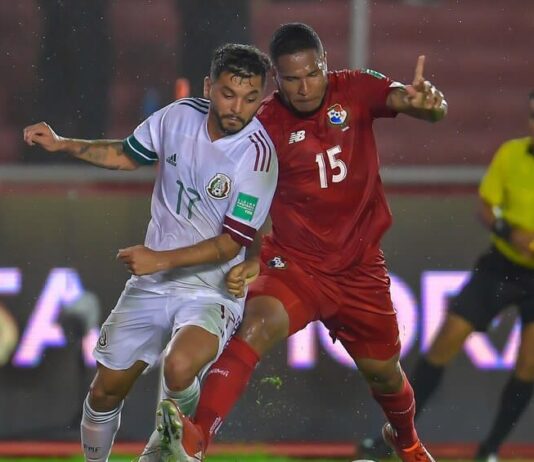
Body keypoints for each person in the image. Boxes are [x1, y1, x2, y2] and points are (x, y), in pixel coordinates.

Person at [157, 23, 447, 462]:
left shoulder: (356, 88)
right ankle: (196, 439)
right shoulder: (264, 127)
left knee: (386, 376)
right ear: (276, 78)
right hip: (296, 265)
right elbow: (243, 197)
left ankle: (405, 440)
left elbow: (408, 101)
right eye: (292, 79)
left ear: (325, 64)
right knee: (256, 327)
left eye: (313, 73)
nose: (305, 87)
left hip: (359, 269)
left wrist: (429, 106)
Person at [22, 43, 277, 462]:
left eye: (250, 99)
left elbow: (230, 243)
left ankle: (169, 444)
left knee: (179, 367)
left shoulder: (258, 155)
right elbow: (126, 154)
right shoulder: (177, 116)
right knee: (104, 392)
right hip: (153, 284)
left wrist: (160, 259)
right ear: (209, 87)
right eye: (229, 94)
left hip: (211, 289)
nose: (238, 108)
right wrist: (63, 144)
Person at [370, 91, 534, 462]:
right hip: (503, 266)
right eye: (532, 116)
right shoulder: (512, 154)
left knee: (529, 364)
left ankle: (490, 449)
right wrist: (509, 231)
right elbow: (486, 208)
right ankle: (395, 437)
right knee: (445, 340)